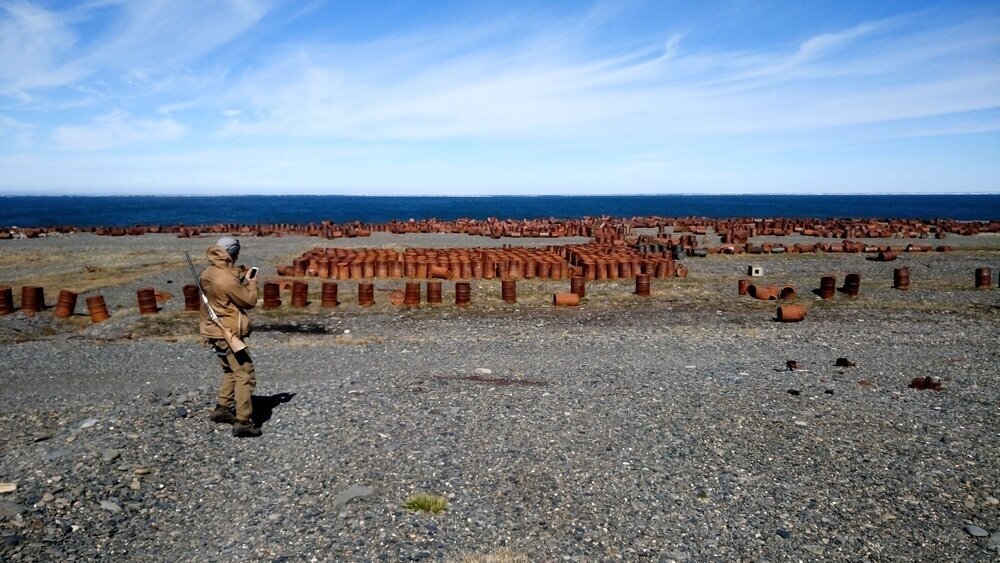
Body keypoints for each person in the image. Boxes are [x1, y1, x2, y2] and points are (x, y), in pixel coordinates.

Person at [199, 236, 261, 438]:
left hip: (213, 330)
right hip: (228, 332)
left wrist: (239, 279)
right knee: (244, 373)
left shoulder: (208, 272)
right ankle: (243, 421)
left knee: (229, 371)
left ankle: (222, 409)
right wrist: (251, 284)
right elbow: (249, 301)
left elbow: (224, 294)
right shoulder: (225, 278)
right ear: (233, 253)